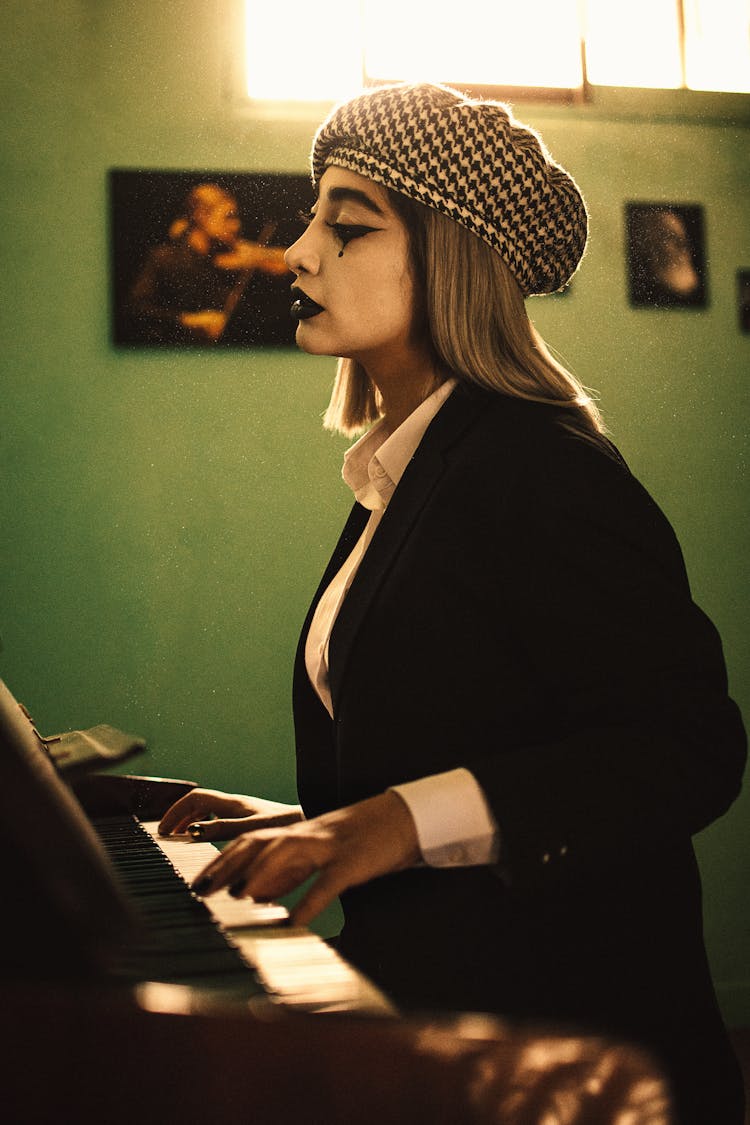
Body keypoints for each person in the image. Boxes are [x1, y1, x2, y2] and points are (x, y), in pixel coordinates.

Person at [159, 83, 746, 1123]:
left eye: (346, 226)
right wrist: (321, 827)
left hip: (572, 1061)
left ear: (453, 254)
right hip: (448, 1038)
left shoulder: (543, 468)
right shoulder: (407, 473)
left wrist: (386, 823)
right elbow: (477, 735)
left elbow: (684, 749)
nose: (297, 253)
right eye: (312, 221)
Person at [127, 182, 288, 343]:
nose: (236, 225)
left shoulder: (230, 252)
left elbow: (285, 261)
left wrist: (257, 254)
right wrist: (189, 320)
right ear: (201, 216)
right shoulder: (164, 258)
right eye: (229, 217)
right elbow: (137, 309)